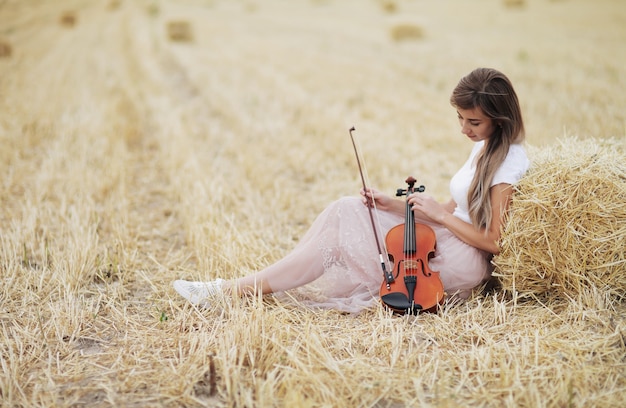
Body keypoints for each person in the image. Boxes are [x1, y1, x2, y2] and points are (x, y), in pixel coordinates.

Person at [173, 67, 530, 313]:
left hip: (464, 259)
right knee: (347, 209)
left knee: (379, 249)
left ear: (500, 119)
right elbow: (455, 207)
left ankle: (227, 291)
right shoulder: (482, 145)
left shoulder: (509, 162)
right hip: (447, 235)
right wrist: (395, 204)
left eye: (473, 122)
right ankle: (241, 286)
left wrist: (437, 214)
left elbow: (495, 240)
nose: (464, 129)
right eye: (460, 119)